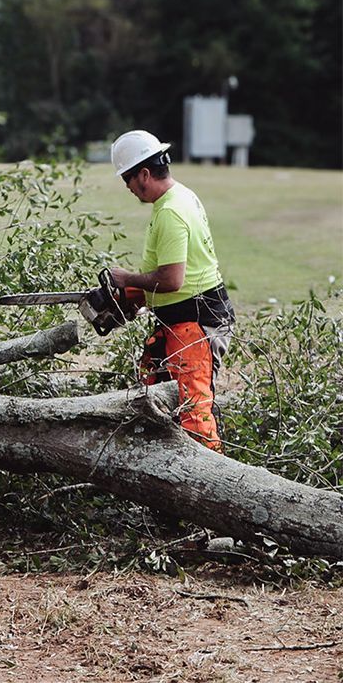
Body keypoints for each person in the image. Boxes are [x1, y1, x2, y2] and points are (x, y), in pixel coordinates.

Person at [107, 130, 235, 453]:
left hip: (195, 323)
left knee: (193, 414)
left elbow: (172, 279)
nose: (128, 188)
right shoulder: (178, 198)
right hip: (177, 319)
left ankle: (209, 488)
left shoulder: (171, 211)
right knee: (151, 400)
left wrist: (127, 279)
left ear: (144, 175)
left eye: (128, 180)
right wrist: (133, 298)